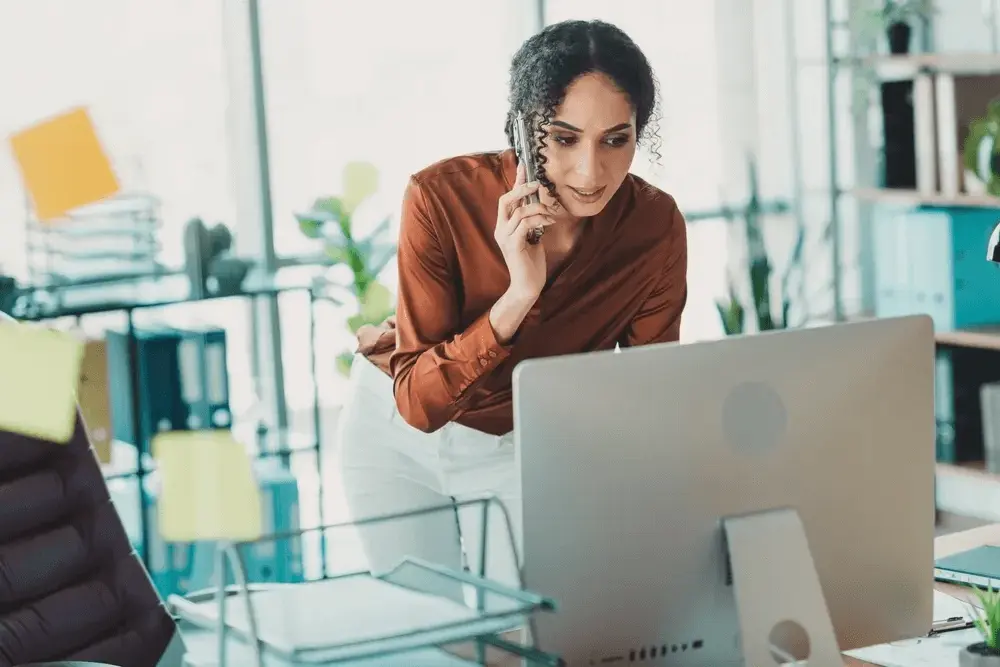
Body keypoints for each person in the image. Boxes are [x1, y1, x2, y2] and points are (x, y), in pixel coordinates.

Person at [335, 18, 688, 594]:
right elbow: (418, 406)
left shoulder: (653, 227)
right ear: (525, 129)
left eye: (615, 140)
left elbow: (648, 392)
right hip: (394, 433)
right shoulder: (440, 197)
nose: (590, 171)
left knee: (530, 635)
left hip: (520, 442)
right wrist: (518, 296)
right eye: (564, 137)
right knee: (429, 640)